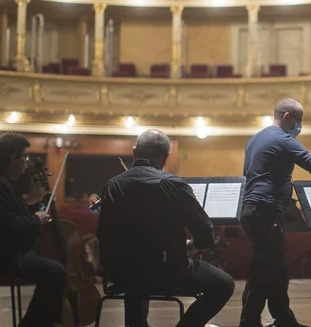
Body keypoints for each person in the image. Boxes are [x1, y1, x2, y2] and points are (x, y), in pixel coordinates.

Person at [97, 129, 235, 327]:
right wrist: (190, 246)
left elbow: (102, 233)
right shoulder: (174, 185)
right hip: (168, 272)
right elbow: (205, 235)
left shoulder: (113, 185)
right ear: (166, 157)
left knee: (136, 270)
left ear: (134, 152)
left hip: (121, 274)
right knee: (225, 284)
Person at [240, 98, 311, 327]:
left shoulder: (256, 138)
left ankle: (282, 317)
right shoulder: (283, 140)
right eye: (299, 120)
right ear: (287, 117)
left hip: (253, 209)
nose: (299, 126)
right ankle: (249, 321)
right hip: (265, 210)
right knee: (264, 267)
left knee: (275, 265)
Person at [0, 133, 63, 327]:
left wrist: (37, 207)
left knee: (55, 268)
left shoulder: (4, 182)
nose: (26, 161)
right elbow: (6, 226)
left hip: (8, 252)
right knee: (56, 271)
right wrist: (36, 220)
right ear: (14, 159)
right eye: (25, 156)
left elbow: (15, 214)